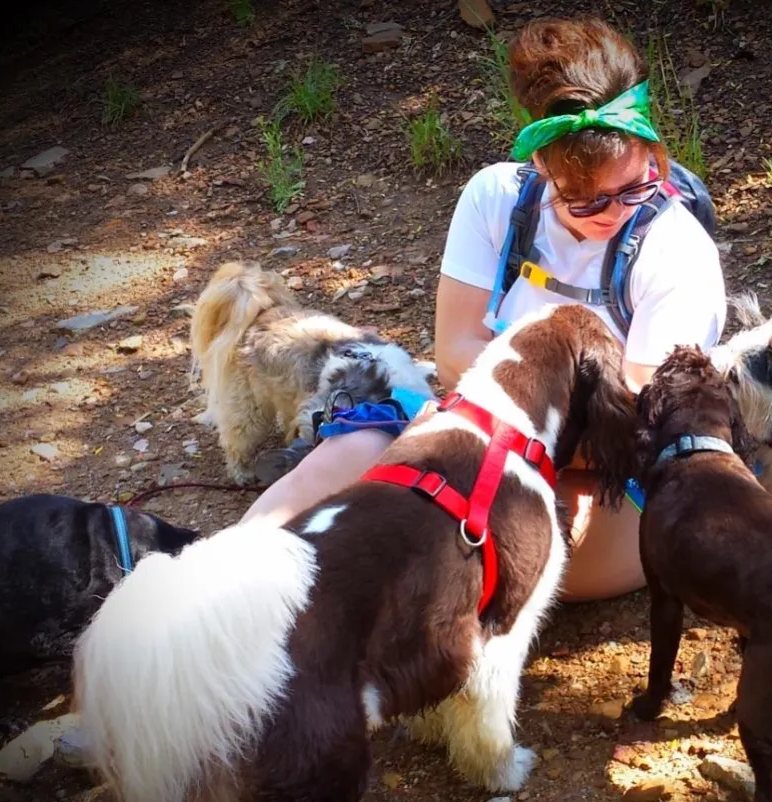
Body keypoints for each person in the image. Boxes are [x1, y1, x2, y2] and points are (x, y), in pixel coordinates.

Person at [241, 16, 727, 601]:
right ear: (542, 166)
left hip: (608, 478)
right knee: (349, 455)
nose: (613, 211)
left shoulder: (676, 249)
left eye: (634, 187)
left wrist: (492, 431)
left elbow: (633, 429)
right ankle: (222, 584)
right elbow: (451, 355)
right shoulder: (496, 197)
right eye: (584, 197)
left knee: (457, 542)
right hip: (487, 425)